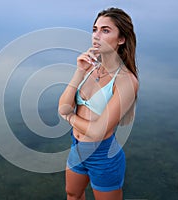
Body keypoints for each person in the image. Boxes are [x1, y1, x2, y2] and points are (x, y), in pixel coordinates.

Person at [58, 7, 139, 200]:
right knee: (73, 194)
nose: (96, 35)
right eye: (95, 29)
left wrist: (69, 117)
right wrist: (79, 71)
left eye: (105, 30)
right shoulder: (89, 68)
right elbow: (62, 103)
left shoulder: (126, 81)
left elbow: (97, 131)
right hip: (76, 147)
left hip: (103, 156)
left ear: (121, 39)